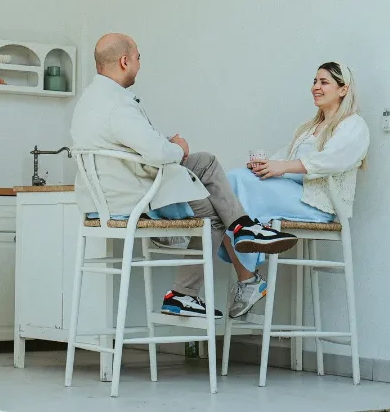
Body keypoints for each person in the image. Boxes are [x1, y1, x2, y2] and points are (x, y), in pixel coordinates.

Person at [70, 33, 299, 319]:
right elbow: (156, 153)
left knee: (205, 163)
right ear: (124, 61)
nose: (140, 65)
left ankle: (242, 230)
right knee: (212, 208)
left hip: (110, 194)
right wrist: (176, 147)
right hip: (136, 198)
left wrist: (169, 147)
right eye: (139, 58)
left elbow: (132, 146)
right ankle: (187, 290)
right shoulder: (118, 104)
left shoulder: (90, 100)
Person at [223, 61, 370, 319]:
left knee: (232, 185)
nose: (316, 87)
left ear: (343, 89)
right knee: (234, 182)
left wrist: (282, 168)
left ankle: (248, 280)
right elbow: (285, 159)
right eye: (314, 82)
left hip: (319, 205)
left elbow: (331, 161)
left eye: (324, 82)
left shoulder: (353, 125)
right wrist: (265, 166)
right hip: (294, 195)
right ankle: (247, 279)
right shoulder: (307, 128)